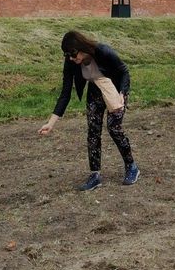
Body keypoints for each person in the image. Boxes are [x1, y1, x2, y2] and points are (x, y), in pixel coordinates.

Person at [38, 31, 139, 191]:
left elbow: (124, 71)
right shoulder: (70, 61)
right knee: (93, 131)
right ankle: (95, 175)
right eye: (68, 56)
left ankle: (131, 166)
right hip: (95, 89)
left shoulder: (103, 51)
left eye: (73, 54)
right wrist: (51, 123)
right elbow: (65, 93)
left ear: (81, 47)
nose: (71, 59)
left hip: (114, 88)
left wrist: (122, 93)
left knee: (114, 128)